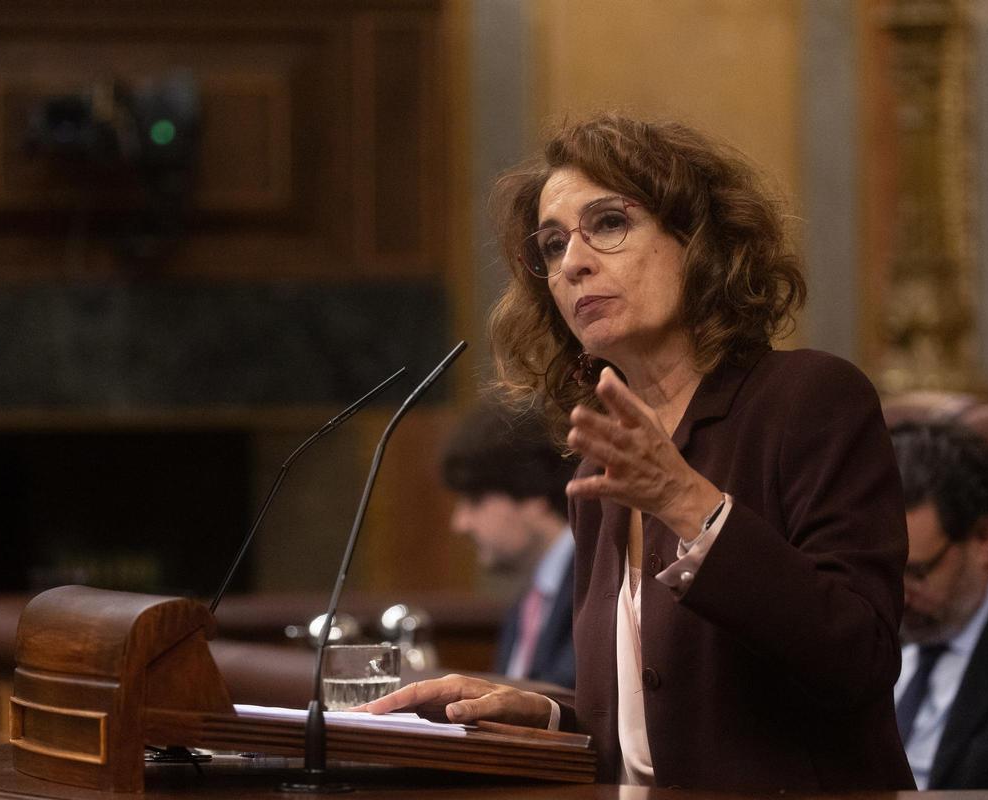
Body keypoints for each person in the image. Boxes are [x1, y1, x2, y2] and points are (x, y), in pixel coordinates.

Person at [359, 113, 913, 791]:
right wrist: (545, 713)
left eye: (609, 225)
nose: (574, 262)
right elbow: (658, 720)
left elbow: (859, 656)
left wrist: (685, 502)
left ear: (698, 240)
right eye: (552, 245)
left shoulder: (808, 402)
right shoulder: (602, 461)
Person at [889, 420, 988, 789]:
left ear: (983, 537)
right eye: (886, 570)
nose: (898, 596)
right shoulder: (862, 622)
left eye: (917, 572)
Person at [441, 403, 577, 688]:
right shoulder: (529, 601)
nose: (460, 523)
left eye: (475, 500)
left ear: (533, 491)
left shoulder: (595, 581)